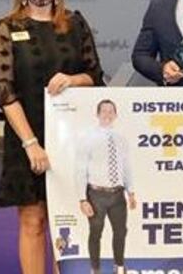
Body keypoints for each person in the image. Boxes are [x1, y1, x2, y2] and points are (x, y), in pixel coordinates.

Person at [0, 0, 105, 274]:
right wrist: (31, 144)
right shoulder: (8, 27)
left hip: (72, 141)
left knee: (65, 221)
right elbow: (3, 91)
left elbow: (95, 76)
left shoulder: (75, 23)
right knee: (33, 221)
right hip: (27, 140)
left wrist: (73, 79)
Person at [75, 99, 135, 274]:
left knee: (121, 231)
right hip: (96, 194)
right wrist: (82, 199)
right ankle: (95, 269)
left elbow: (126, 166)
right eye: (104, 111)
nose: (107, 114)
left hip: (117, 194)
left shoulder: (121, 139)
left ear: (115, 115)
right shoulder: (88, 138)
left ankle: (119, 266)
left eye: (111, 111)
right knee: (96, 231)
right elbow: (80, 170)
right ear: (97, 114)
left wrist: (131, 191)